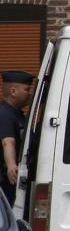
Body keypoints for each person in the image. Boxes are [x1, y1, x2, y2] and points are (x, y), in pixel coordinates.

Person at [0, 72, 32, 210]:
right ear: (13, 91)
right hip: (6, 180)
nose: (29, 93)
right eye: (26, 90)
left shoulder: (17, 113)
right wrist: (11, 165)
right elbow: (8, 141)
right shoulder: (4, 114)